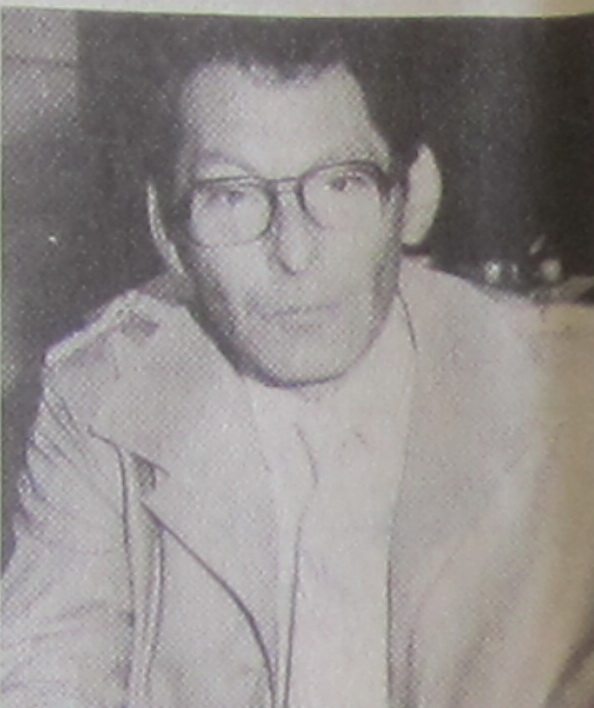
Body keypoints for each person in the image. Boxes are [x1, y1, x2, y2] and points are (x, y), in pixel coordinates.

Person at [2, 16, 594, 708]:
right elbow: (46, 675)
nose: (293, 253)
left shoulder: (566, 391)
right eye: (230, 196)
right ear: (167, 231)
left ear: (414, 196)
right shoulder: (103, 395)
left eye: (342, 184)